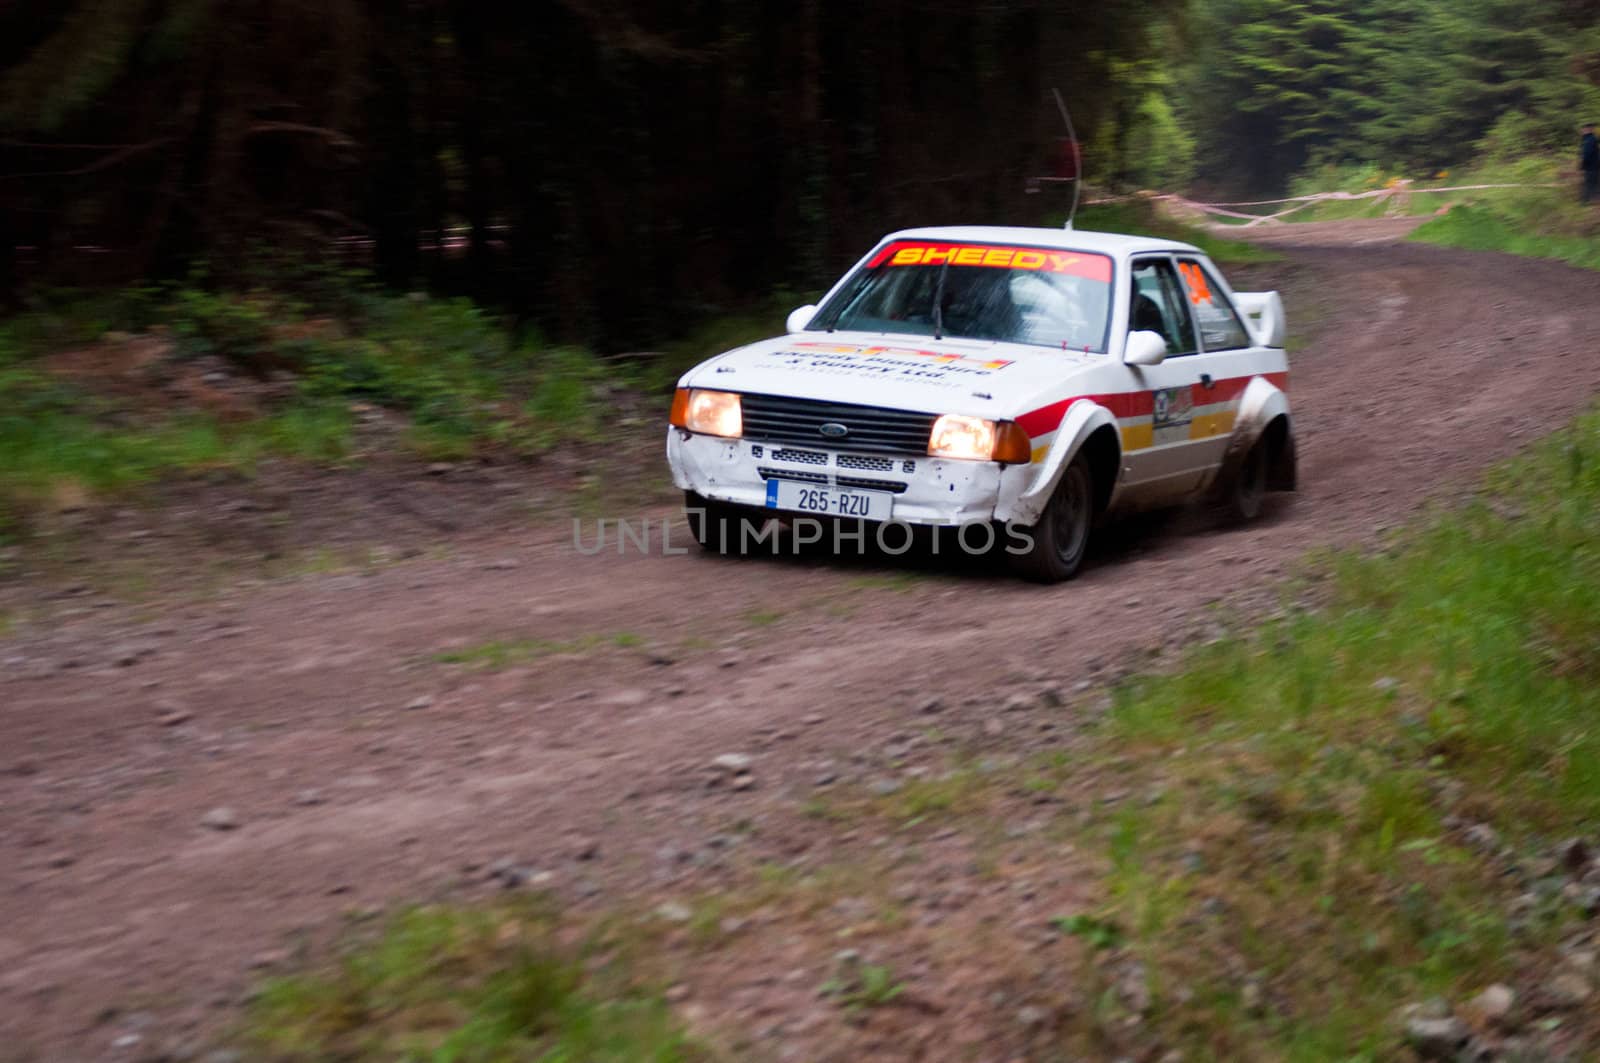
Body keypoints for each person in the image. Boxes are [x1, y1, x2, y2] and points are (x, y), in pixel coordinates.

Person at [1582, 123, 1599, 204]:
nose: (1582, 130)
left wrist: (1583, 164)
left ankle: (1585, 201)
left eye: (1584, 129)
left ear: (1589, 129)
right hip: (1594, 165)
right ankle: (1595, 199)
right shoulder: (1590, 139)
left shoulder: (1589, 139)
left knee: (1589, 183)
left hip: (1591, 165)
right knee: (1594, 182)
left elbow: (1587, 154)